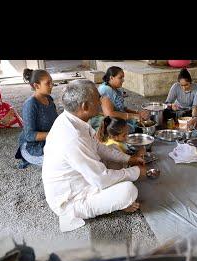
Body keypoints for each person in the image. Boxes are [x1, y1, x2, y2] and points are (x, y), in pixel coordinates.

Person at [43, 79, 147, 232]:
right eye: (98, 99)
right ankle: (114, 204)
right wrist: (137, 172)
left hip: (84, 179)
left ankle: (112, 198)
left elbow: (98, 147)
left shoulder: (73, 119)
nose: (101, 102)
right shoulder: (72, 137)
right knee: (128, 191)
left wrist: (129, 159)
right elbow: (101, 179)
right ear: (85, 106)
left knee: (116, 158)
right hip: (72, 200)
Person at [16, 69, 58, 168]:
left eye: (51, 82)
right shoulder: (30, 104)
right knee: (62, 159)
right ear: (36, 86)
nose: (51, 85)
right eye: (48, 83)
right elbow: (29, 135)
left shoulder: (49, 99)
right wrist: (55, 135)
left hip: (49, 140)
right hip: (32, 147)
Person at [89, 66, 147, 132]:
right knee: (130, 129)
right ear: (111, 78)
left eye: (123, 78)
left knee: (138, 123)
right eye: (120, 78)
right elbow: (109, 114)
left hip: (115, 119)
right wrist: (132, 116)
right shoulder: (105, 90)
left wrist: (137, 113)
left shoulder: (115, 89)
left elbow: (121, 108)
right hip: (104, 122)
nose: (123, 80)